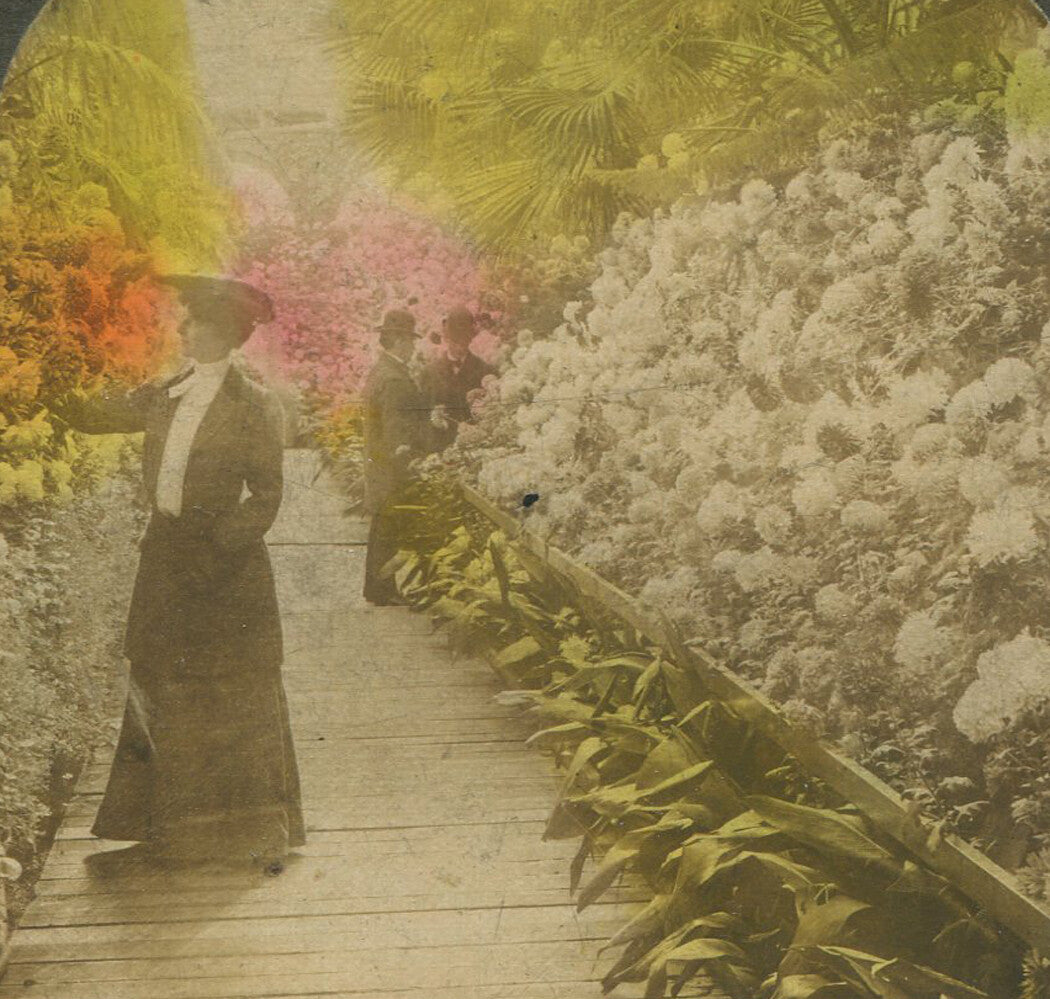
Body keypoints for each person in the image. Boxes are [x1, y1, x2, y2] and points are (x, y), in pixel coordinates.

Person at [52, 273, 305, 870]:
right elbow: (94, 414)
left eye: (192, 320)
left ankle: (243, 827)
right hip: (165, 559)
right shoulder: (168, 391)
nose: (181, 328)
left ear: (222, 330)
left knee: (232, 687)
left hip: (225, 570)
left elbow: (267, 495)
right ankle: (158, 821)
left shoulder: (254, 403)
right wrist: (53, 372)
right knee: (161, 680)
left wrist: (217, 545)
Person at [361, 308, 427, 605]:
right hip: (390, 468)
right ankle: (382, 588)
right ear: (399, 341)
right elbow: (396, 431)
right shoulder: (394, 379)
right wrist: (408, 460)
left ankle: (376, 587)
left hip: (378, 464)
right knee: (388, 529)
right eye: (410, 341)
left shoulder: (382, 370)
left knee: (381, 529)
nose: (413, 347)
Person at [420, 306, 495, 451]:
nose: (461, 347)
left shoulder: (486, 371)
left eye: (465, 341)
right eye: (455, 341)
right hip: (440, 449)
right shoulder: (429, 373)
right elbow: (422, 416)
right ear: (446, 339)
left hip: (477, 450)